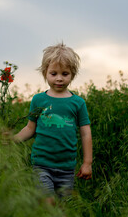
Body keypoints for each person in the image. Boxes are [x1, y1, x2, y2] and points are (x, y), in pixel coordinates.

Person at [11, 42, 92, 205]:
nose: (59, 78)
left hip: (67, 168)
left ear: (72, 74)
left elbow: (85, 133)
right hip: (42, 164)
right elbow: (29, 128)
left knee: (64, 206)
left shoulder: (78, 103)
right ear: (45, 73)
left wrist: (87, 163)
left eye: (65, 73)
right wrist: (13, 139)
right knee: (47, 202)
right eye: (54, 73)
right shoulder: (39, 100)